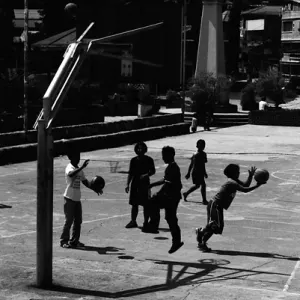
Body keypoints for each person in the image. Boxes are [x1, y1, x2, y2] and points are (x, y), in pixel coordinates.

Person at [195, 164, 265, 252]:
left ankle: (202, 243)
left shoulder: (234, 180)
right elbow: (245, 190)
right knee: (215, 225)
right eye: (238, 172)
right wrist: (258, 185)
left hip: (217, 205)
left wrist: (250, 176)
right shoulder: (231, 182)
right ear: (233, 173)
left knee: (217, 228)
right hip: (215, 205)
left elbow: (246, 185)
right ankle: (201, 232)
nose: (239, 173)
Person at [60, 150, 102, 249]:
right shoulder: (69, 167)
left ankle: (74, 241)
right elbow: (70, 175)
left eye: (79, 156)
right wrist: (82, 167)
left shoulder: (79, 169)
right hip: (69, 198)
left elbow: (85, 182)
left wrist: (95, 189)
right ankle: (64, 241)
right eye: (76, 156)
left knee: (78, 221)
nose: (78, 158)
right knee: (69, 221)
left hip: (77, 199)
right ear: (71, 158)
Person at [149, 146, 184, 254]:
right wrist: (152, 184)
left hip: (171, 197)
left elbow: (168, 183)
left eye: (164, 155)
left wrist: (158, 193)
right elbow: (165, 180)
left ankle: (153, 225)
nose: (163, 157)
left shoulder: (173, 167)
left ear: (171, 155)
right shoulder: (171, 167)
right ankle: (176, 241)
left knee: (153, 202)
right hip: (171, 196)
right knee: (170, 218)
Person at [125, 142, 156, 230]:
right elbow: (130, 173)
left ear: (145, 149)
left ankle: (145, 222)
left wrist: (146, 175)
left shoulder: (149, 160)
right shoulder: (133, 160)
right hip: (135, 183)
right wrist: (127, 184)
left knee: (145, 204)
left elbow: (153, 171)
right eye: (138, 148)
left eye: (141, 148)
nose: (140, 150)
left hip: (145, 183)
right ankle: (133, 221)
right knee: (134, 204)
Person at [183, 139, 208, 204]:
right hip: (196, 172)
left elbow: (203, 164)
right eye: (201, 145)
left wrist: (205, 172)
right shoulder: (195, 154)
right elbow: (191, 164)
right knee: (202, 185)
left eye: (203, 145)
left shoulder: (203, 154)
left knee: (198, 185)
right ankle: (204, 200)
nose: (202, 147)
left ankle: (186, 193)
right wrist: (188, 173)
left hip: (200, 172)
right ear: (197, 146)